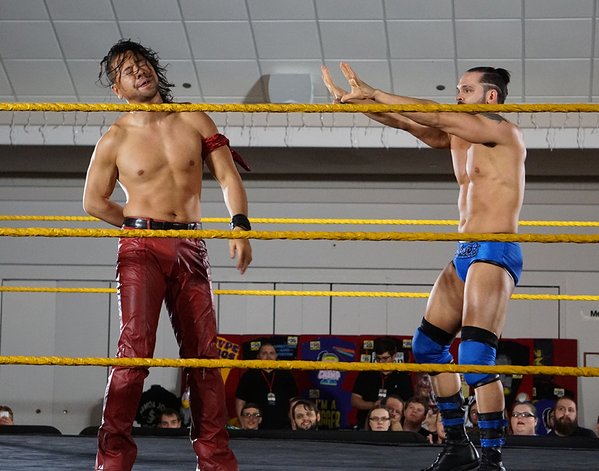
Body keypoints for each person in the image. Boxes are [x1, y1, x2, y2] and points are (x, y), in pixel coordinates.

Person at [323, 62, 525, 471]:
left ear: (491, 96)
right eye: (457, 89)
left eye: (466, 90)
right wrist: (358, 104)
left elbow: (433, 113)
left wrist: (377, 91)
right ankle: (457, 445)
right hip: (465, 251)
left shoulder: (503, 132)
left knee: (475, 356)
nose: (458, 95)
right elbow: (408, 122)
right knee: (428, 347)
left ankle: (492, 459)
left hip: (495, 250)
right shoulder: (460, 136)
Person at [84, 39, 252, 471]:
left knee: (204, 355)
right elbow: (93, 201)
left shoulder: (194, 119)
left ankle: (215, 459)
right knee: (134, 351)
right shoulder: (115, 137)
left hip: (191, 245)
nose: (139, 71)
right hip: (141, 246)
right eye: (127, 70)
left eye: (142, 64)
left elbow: (227, 176)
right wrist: (137, 224)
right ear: (117, 89)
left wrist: (239, 225)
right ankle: (113, 460)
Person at [351, 337, 413, 429]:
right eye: (378, 358)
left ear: (394, 356)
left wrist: (391, 408)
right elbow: (355, 400)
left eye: (385, 358)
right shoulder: (366, 373)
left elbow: (408, 404)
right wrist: (374, 405)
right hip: (366, 423)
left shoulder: (403, 376)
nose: (381, 362)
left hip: (393, 424)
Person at [235, 342, 298, 429]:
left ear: (276, 356)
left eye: (271, 353)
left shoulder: (286, 374)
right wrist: (242, 423)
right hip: (255, 425)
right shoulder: (249, 375)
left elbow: (293, 401)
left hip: (283, 425)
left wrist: (294, 422)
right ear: (258, 356)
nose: (268, 356)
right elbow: (240, 402)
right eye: (264, 353)